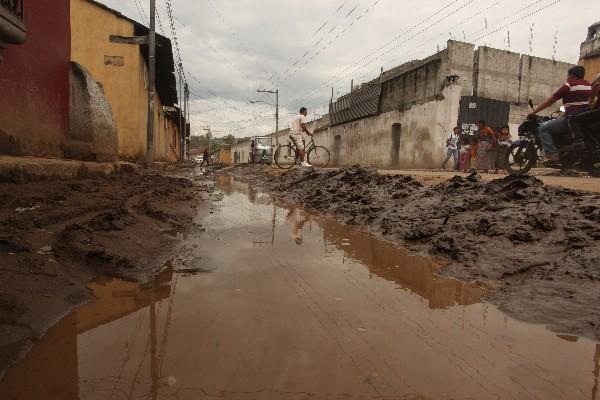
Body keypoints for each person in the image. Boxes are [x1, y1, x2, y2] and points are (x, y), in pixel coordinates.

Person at [528, 66, 592, 165]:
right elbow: (581, 103)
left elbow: (550, 100)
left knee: (543, 129)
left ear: (572, 75)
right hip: (586, 118)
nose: (567, 77)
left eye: (568, 75)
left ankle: (552, 155)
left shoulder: (569, 86)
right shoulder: (589, 86)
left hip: (572, 119)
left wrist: (534, 112)